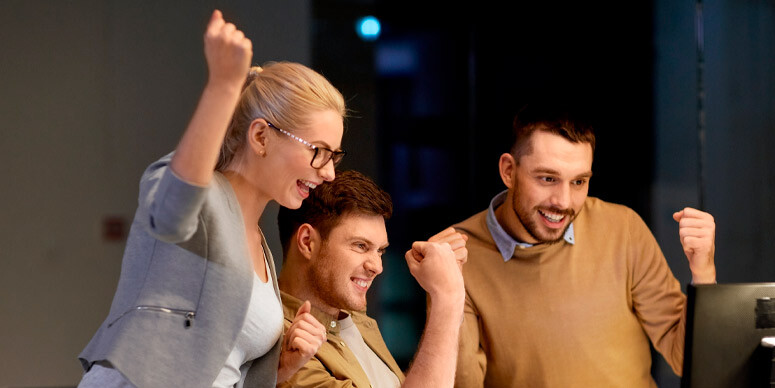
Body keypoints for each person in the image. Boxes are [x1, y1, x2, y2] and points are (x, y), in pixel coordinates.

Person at [78, 10, 340, 387]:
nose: (328, 172)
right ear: (261, 137)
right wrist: (223, 86)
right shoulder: (205, 201)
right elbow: (172, 208)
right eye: (318, 150)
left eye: (334, 156)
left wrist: (285, 365)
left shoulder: (259, 243)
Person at [452, 104, 717, 387]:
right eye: (547, 179)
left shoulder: (623, 229)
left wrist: (703, 273)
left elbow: (687, 359)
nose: (564, 202)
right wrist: (447, 293)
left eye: (579, 181)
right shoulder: (460, 256)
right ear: (508, 171)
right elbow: (463, 383)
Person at [275, 170, 467, 388]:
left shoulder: (349, 315)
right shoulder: (287, 352)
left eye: (380, 251)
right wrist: (448, 299)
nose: (377, 267)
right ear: (308, 241)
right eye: (360, 246)